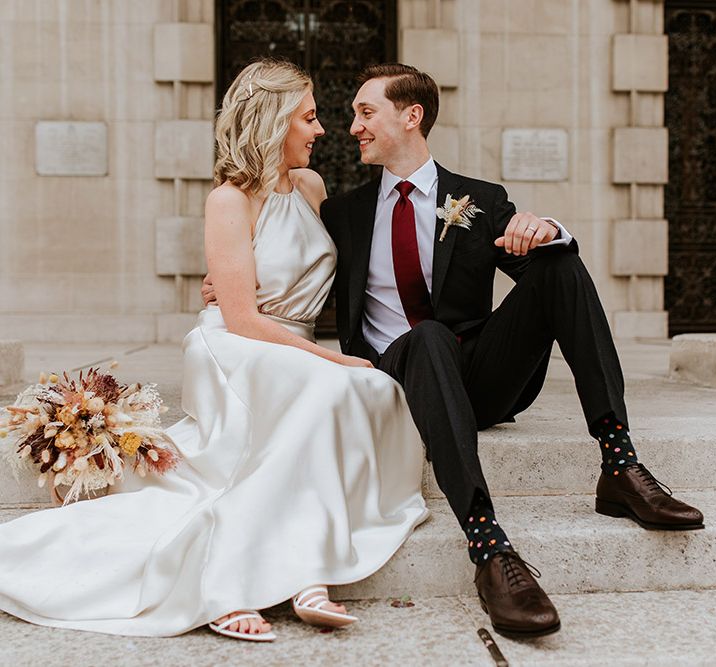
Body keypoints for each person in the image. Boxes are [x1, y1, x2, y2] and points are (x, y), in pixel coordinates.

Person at [0, 58, 428, 642]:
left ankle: (305, 563)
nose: (323, 129)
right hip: (235, 345)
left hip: (291, 344)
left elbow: (327, 270)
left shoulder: (311, 187)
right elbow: (243, 318)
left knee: (372, 389)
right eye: (309, 117)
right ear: (275, 121)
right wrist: (335, 358)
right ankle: (275, 575)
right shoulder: (230, 199)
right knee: (338, 386)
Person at [316, 63, 704, 639]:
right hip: (397, 380)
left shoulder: (479, 199)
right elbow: (296, 279)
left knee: (560, 266)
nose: (353, 127)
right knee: (425, 336)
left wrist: (545, 229)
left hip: (479, 377)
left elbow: (539, 267)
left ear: (411, 116)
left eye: (365, 112)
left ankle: (619, 463)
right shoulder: (343, 214)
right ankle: (489, 546)